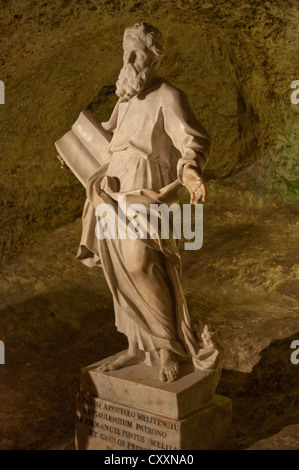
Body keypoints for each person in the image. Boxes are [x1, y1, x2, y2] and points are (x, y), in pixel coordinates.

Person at [76, 22, 219, 382]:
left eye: (137, 52)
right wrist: (75, 148)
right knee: (118, 268)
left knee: (143, 262)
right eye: (126, 51)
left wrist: (189, 172)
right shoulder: (124, 100)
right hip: (112, 187)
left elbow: (192, 140)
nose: (128, 59)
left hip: (145, 186)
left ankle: (168, 345)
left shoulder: (168, 96)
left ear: (153, 59)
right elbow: (108, 136)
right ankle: (137, 346)